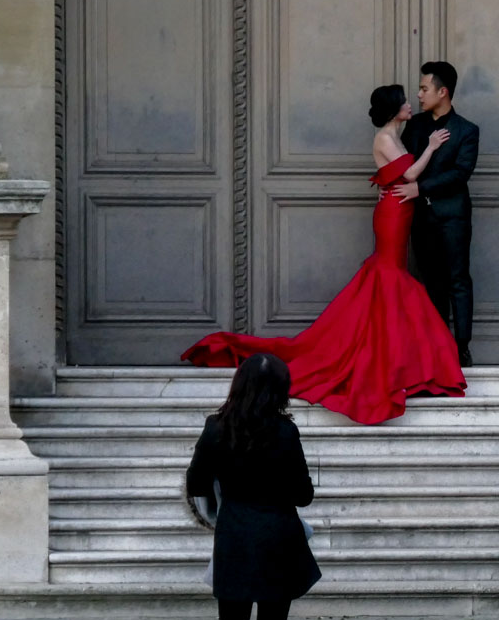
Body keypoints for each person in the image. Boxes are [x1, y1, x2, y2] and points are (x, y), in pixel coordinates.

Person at [180, 85, 466, 425]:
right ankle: (385, 357)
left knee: (391, 277)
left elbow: (396, 174)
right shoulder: (384, 138)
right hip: (392, 213)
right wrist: (431, 147)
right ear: (394, 109)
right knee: (390, 275)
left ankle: (396, 357)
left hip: (399, 210)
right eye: (404, 100)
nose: (410, 103)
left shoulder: (398, 135)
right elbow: (410, 174)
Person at [187, 353, 321, 620]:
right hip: (277, 537)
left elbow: (196, 482)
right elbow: (303, 494)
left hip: (234, 536)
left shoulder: (216, 427)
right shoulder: (284, 431)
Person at [398, 61, 479, 367]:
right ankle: (438, 347)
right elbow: (404, 162)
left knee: (458, 280)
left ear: (442, 92)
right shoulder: (415, 125)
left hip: (453, 217)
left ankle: (462, 349)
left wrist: (420, 188)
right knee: (431, 283)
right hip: (420, 218)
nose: (419, 94)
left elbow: (460, 174)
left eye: (424, 88)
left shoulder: (467, 131)